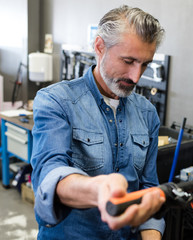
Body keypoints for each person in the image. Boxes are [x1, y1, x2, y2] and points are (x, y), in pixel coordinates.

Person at [31, 5, 166, 240]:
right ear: (100, 47)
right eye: (128, 61)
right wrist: (98, 190)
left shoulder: (147, 113)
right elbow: (49, 174)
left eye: (144, 64)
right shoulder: (57, 101)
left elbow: (148, 188)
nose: (136, 77)